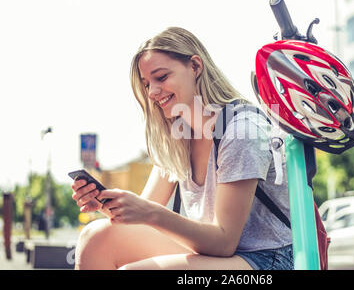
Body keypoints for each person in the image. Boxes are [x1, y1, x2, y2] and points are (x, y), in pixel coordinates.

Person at [71, 27, 293, 270]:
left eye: (161, 77)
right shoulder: (178, 135)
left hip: (268, 259)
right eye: (146, 84)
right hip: (216, 256)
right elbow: (142, 216)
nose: (152, 92)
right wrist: (107, 204)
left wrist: (151, 213)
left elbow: (225, 241)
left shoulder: (242, 129)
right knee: (94, 238)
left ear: (195, 67)